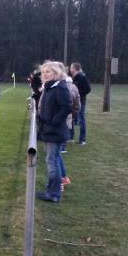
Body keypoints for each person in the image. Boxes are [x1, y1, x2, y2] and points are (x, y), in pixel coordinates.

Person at [36, 61, 72, 203]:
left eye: (48, 72)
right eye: (43, 72)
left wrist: (54, 122)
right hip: (47, 130)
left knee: (52, 162)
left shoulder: (60, 88)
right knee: (51, 160)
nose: (44, 74)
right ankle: (51, 190)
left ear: (56, 74)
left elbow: (66, 107)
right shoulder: (49, 87)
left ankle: (54, 194)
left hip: (54, 132)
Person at [70, 62, 91, 145]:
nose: (70, 69)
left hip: (81, 101)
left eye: (71, 67)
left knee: (81, 119)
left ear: (74, 68)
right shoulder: (75, 77)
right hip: (74, 101)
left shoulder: (82, 77)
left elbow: (88, 89)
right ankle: (70, 137)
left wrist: (78, 94)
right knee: (71, 118)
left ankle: (82, 140)